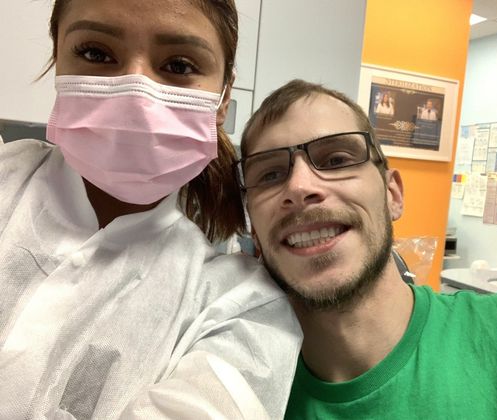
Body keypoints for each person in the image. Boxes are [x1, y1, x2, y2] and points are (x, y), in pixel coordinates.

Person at [0, 1, 302, 418]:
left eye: (178, 65)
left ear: (223, 97)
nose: (135, 93)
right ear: (58, 61)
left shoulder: (241, 310)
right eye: (95, 54)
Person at [236, 79, 497, 419]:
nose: (300, 187)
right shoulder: (236, 395)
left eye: (335, 160)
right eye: (270, 175)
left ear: (393, 194)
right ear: (254, 231)